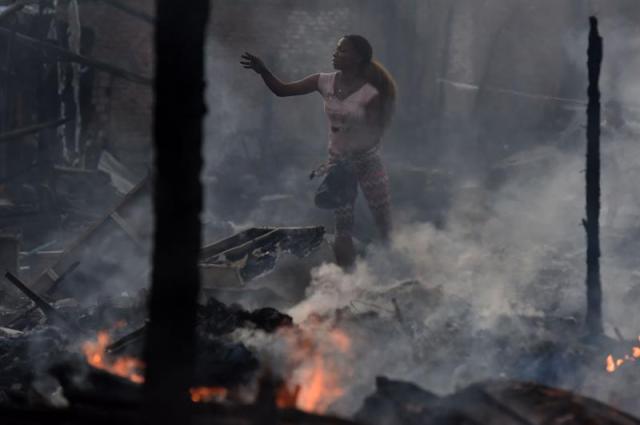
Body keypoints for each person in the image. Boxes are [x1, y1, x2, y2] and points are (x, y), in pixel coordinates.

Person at [241, 35, 397, 268]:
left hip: (366, 160)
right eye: (336, 49)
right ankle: (348, 282)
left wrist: (352, 156)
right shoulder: (323, 81)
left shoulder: (370, 93)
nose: (335, 54)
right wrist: (263, 71)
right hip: (338, 165)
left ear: (358, 58)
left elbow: (374, 133)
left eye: (342, 51)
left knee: (382, 218)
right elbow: (282, 90)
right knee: (342, 226)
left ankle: (392, 267)